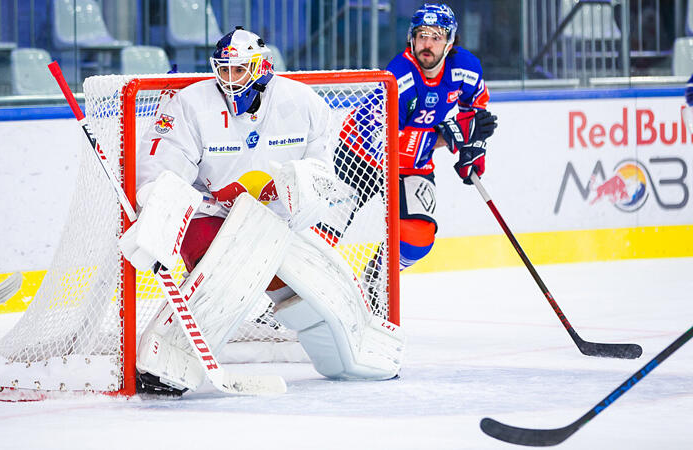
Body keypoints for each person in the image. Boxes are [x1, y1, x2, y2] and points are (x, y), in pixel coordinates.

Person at [120, 27, 404, 396]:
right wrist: (159, 221)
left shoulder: (302, 103)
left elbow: (320, 173)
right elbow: (162, 175)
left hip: (276, 221)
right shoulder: (190, 104)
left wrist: (296, 190)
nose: (229, 79)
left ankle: (361, 356)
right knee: (229, 271)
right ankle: (166, 364)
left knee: (318, 287)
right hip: (211, 216)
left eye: (239, 70)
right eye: (223, 70)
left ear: (260, 67)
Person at [385, 2, 497, 271]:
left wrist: (473, 150)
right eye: (422, 35)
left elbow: (476, 111)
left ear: (450, 42)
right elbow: (390, 144)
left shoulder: (466, 68)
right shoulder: (398, 76)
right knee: (326, 232)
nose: (428, 44)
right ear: (411, 39)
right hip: (362, 154)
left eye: (437, 36)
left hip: (414, 163)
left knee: (416, 240)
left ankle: (375, 284)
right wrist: (446, 138)